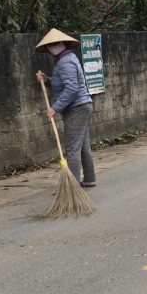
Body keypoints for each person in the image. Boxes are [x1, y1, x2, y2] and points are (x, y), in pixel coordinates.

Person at [35, 29, 96, 188]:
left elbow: (71, 88)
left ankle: (72, 185)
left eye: (52, 46)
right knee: (82, 146)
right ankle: (89, 178)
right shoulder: (67, 60)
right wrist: (46, 80)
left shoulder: (65, 62)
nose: (50, 50)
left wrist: (54, 108)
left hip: (77, 108)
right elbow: (60, 84)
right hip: (82, 106)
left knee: (72, 149)